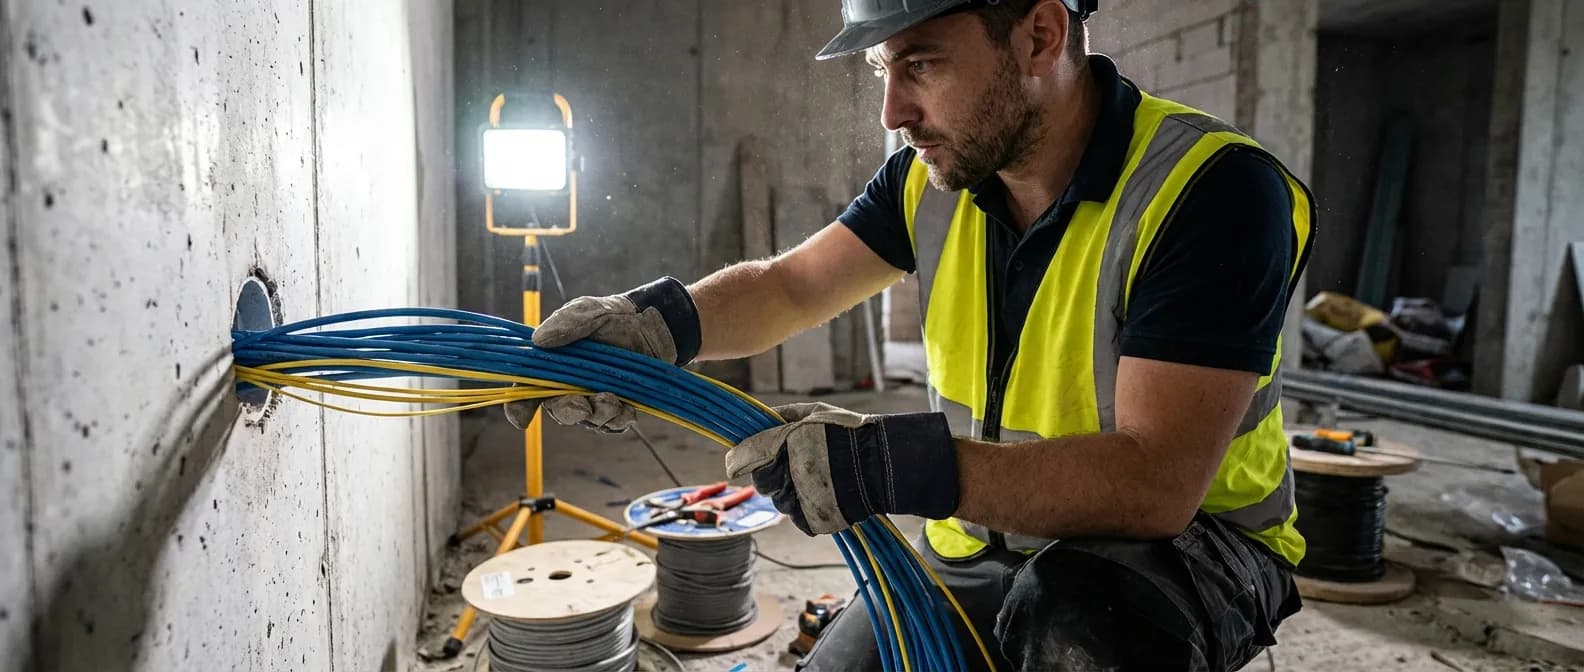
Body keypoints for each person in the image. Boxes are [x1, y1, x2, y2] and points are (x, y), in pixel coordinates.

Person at [507, 0, 1314, 669]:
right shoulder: (933, 183)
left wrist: (893, 465)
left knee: (1075, 628)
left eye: (921, 63)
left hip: (1194, 548)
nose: (892, 111)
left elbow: (1153, 485)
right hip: (980, 541)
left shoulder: (1210, 191)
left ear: (1040, 35)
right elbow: (791, 286)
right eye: (881, 70)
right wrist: (659, 327)